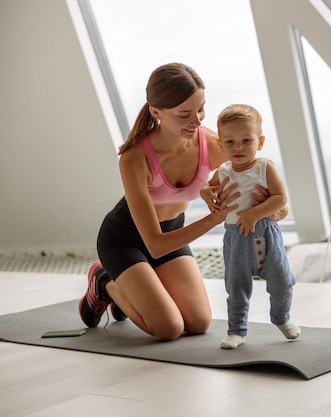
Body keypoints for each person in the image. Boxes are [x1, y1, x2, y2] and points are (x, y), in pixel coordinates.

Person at [78, 63, 286, 341]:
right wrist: (213, 218)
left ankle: (141, 288)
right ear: (156, 112)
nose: (197, 121)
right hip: (124, 240)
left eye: (201, 109)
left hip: (173, 232)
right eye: (185, 114)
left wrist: (267, 209)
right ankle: (105, 284)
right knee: (168, 328)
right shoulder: (134, 158)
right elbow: (154, 244)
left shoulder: (213, 144)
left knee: (199, 323)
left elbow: (278, 203)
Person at [209, 104, 300, 349]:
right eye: (230, 142)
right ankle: (237, 330)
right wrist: (206, 193)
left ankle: (281, 318)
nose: (238, 147)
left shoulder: (264, 167)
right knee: (236, 286)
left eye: (246, 140)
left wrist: (254, 214)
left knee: (282, 281)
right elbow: (208, 188)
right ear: (220, 145)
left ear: (259, 142)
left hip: (267, 234)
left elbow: (280, 198)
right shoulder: (223, 170)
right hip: (235, 238)